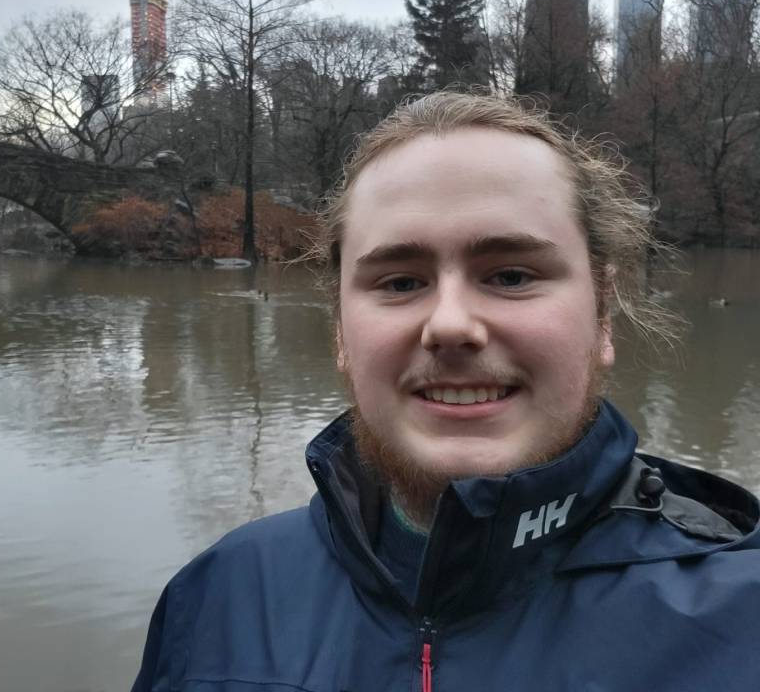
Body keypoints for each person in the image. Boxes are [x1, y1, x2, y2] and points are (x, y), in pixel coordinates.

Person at [131, 92, 760, 692]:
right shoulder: (216, 601)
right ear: (341, 332)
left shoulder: (742, 616)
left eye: (511, 275)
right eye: (401, 282)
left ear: (603, 315)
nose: (451, 325)